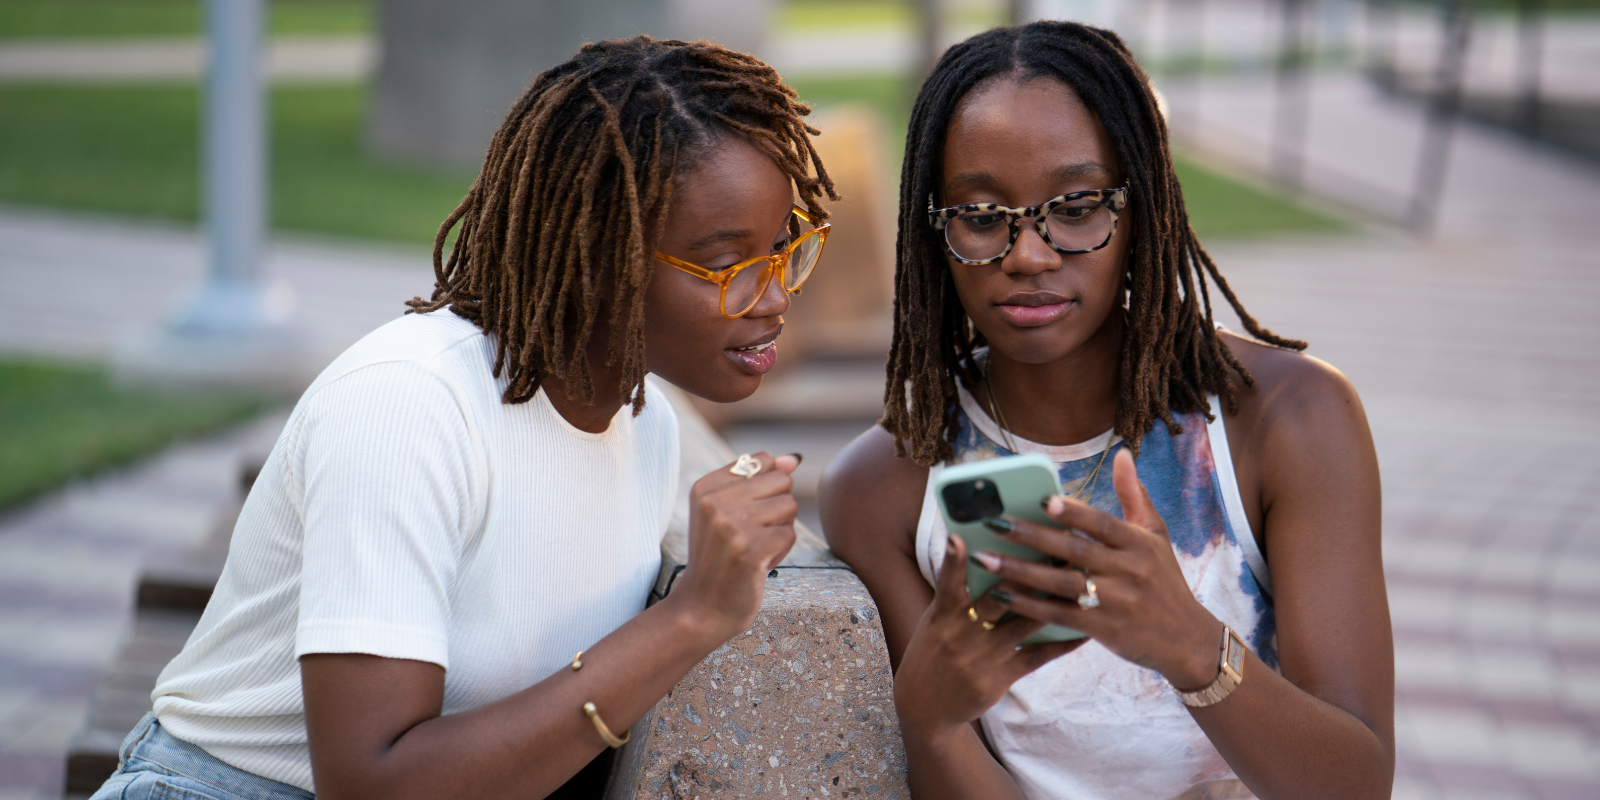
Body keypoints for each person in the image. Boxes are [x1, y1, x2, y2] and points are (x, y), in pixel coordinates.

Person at [92, 36, 837, 800]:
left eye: (783, 249)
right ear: (606, 254)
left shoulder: (646, 425)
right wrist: (690, 618)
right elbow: (371, 780)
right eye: (728, 264)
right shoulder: (410, 404)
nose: (776, 296)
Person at [820, 21, 1392, 800]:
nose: (1028, 254)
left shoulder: (1289, 418)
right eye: (982, 216)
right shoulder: (883, 486)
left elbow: (1355, 784)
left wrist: (1191, 645)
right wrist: (930, 723)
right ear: (934, 232)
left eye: (1078, 205)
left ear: (1141, 210)